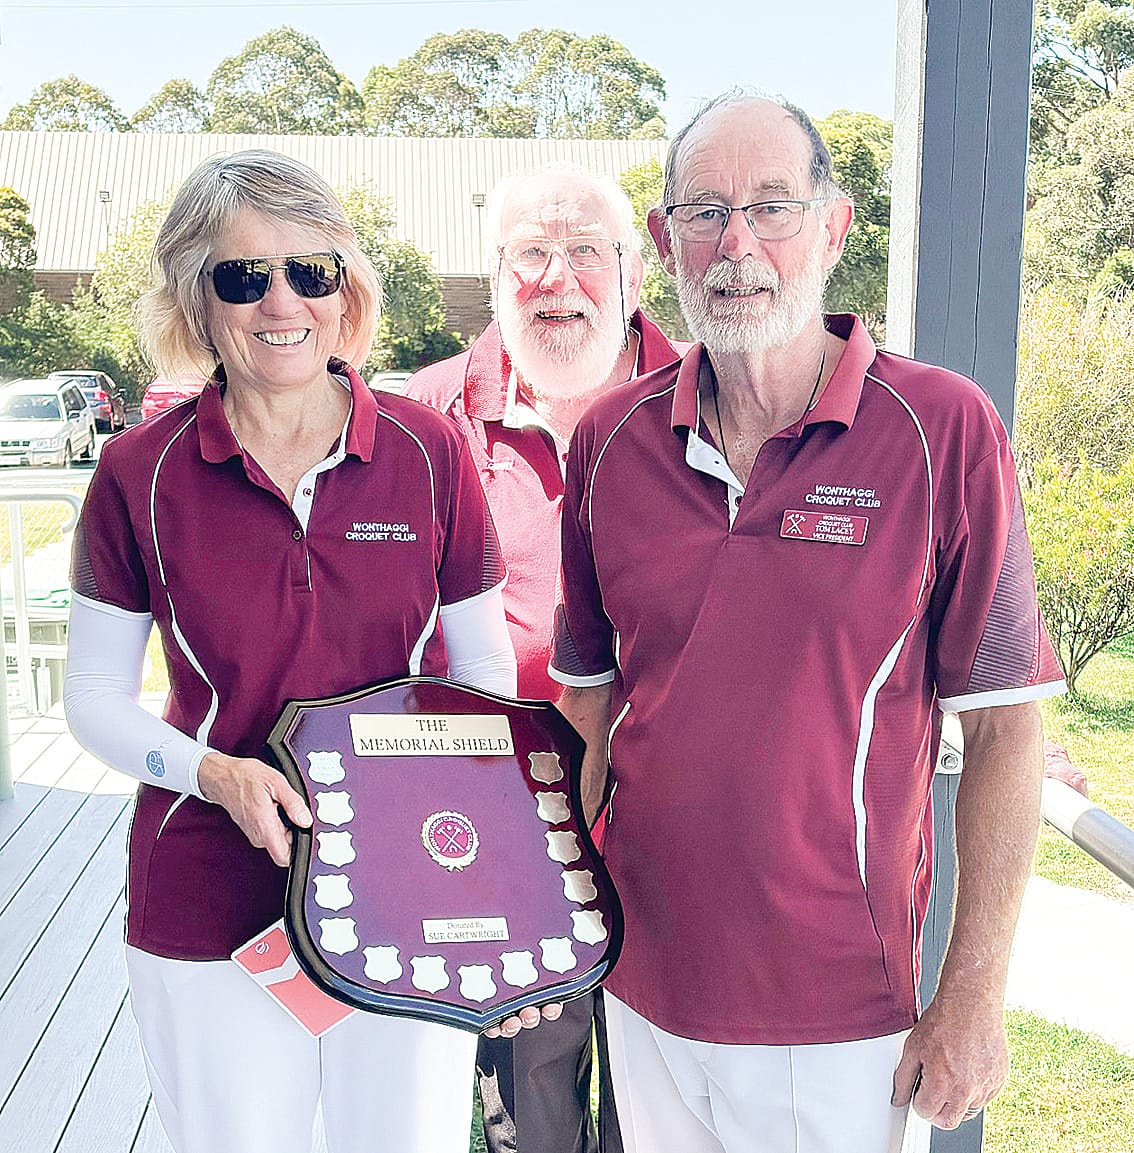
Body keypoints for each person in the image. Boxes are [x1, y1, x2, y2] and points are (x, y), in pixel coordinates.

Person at [548, 94, 1067, 1153]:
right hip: (643, 986)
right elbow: (587, 715)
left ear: (832, 229)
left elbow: (1008, 728)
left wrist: (972, 994)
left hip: (843, 1017)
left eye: (772, 208)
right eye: (704, 211)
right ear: (664, 241)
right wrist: (538, 925)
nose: (737, 245)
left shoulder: (941, 431)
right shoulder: (610, 440)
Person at [62, 149, 534, 1153]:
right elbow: (95, 702)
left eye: (310, 271)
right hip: (207, 900)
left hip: (404, 889)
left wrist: (486, 875)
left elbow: (485, 676)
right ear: (198, 298)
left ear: (345, 287)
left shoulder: (428, 451)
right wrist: (214, 774)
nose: (281, 301)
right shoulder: (137, 473)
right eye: (243, 276)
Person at [406, 167, 685, 1153]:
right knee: (531, 1118)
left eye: (584, 253)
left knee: (671, 1116)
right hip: (504, 850)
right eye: (531, 253)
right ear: (494, 274)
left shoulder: (710, 400)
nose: (557, 278)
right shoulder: (429, 415)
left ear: (633, 271)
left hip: (680, 851)